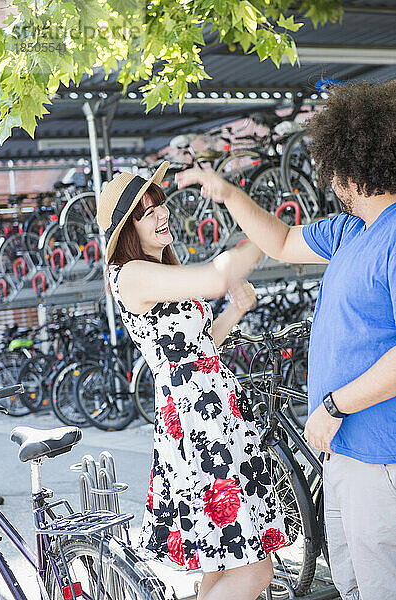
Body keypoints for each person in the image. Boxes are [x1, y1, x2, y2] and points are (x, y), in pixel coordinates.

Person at [176, 80, 396, 600]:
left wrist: (335, 405)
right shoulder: (350, 231)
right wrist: (229, 193)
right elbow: (277, 239)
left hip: (379, 456)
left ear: (346, 165)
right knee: (353, 583)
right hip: (344, 452)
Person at [96, 162, 290, 600]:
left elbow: (198, 352)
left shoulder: (154, 271)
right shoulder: (130, 273)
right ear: (128, 229)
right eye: (147, 212)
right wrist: (268, 234)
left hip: (217, 417)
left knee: (221, 566)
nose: (162, 214)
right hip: (201, 429)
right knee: (256, 571)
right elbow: (219, 274)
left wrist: (234, 312)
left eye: (160, 204)